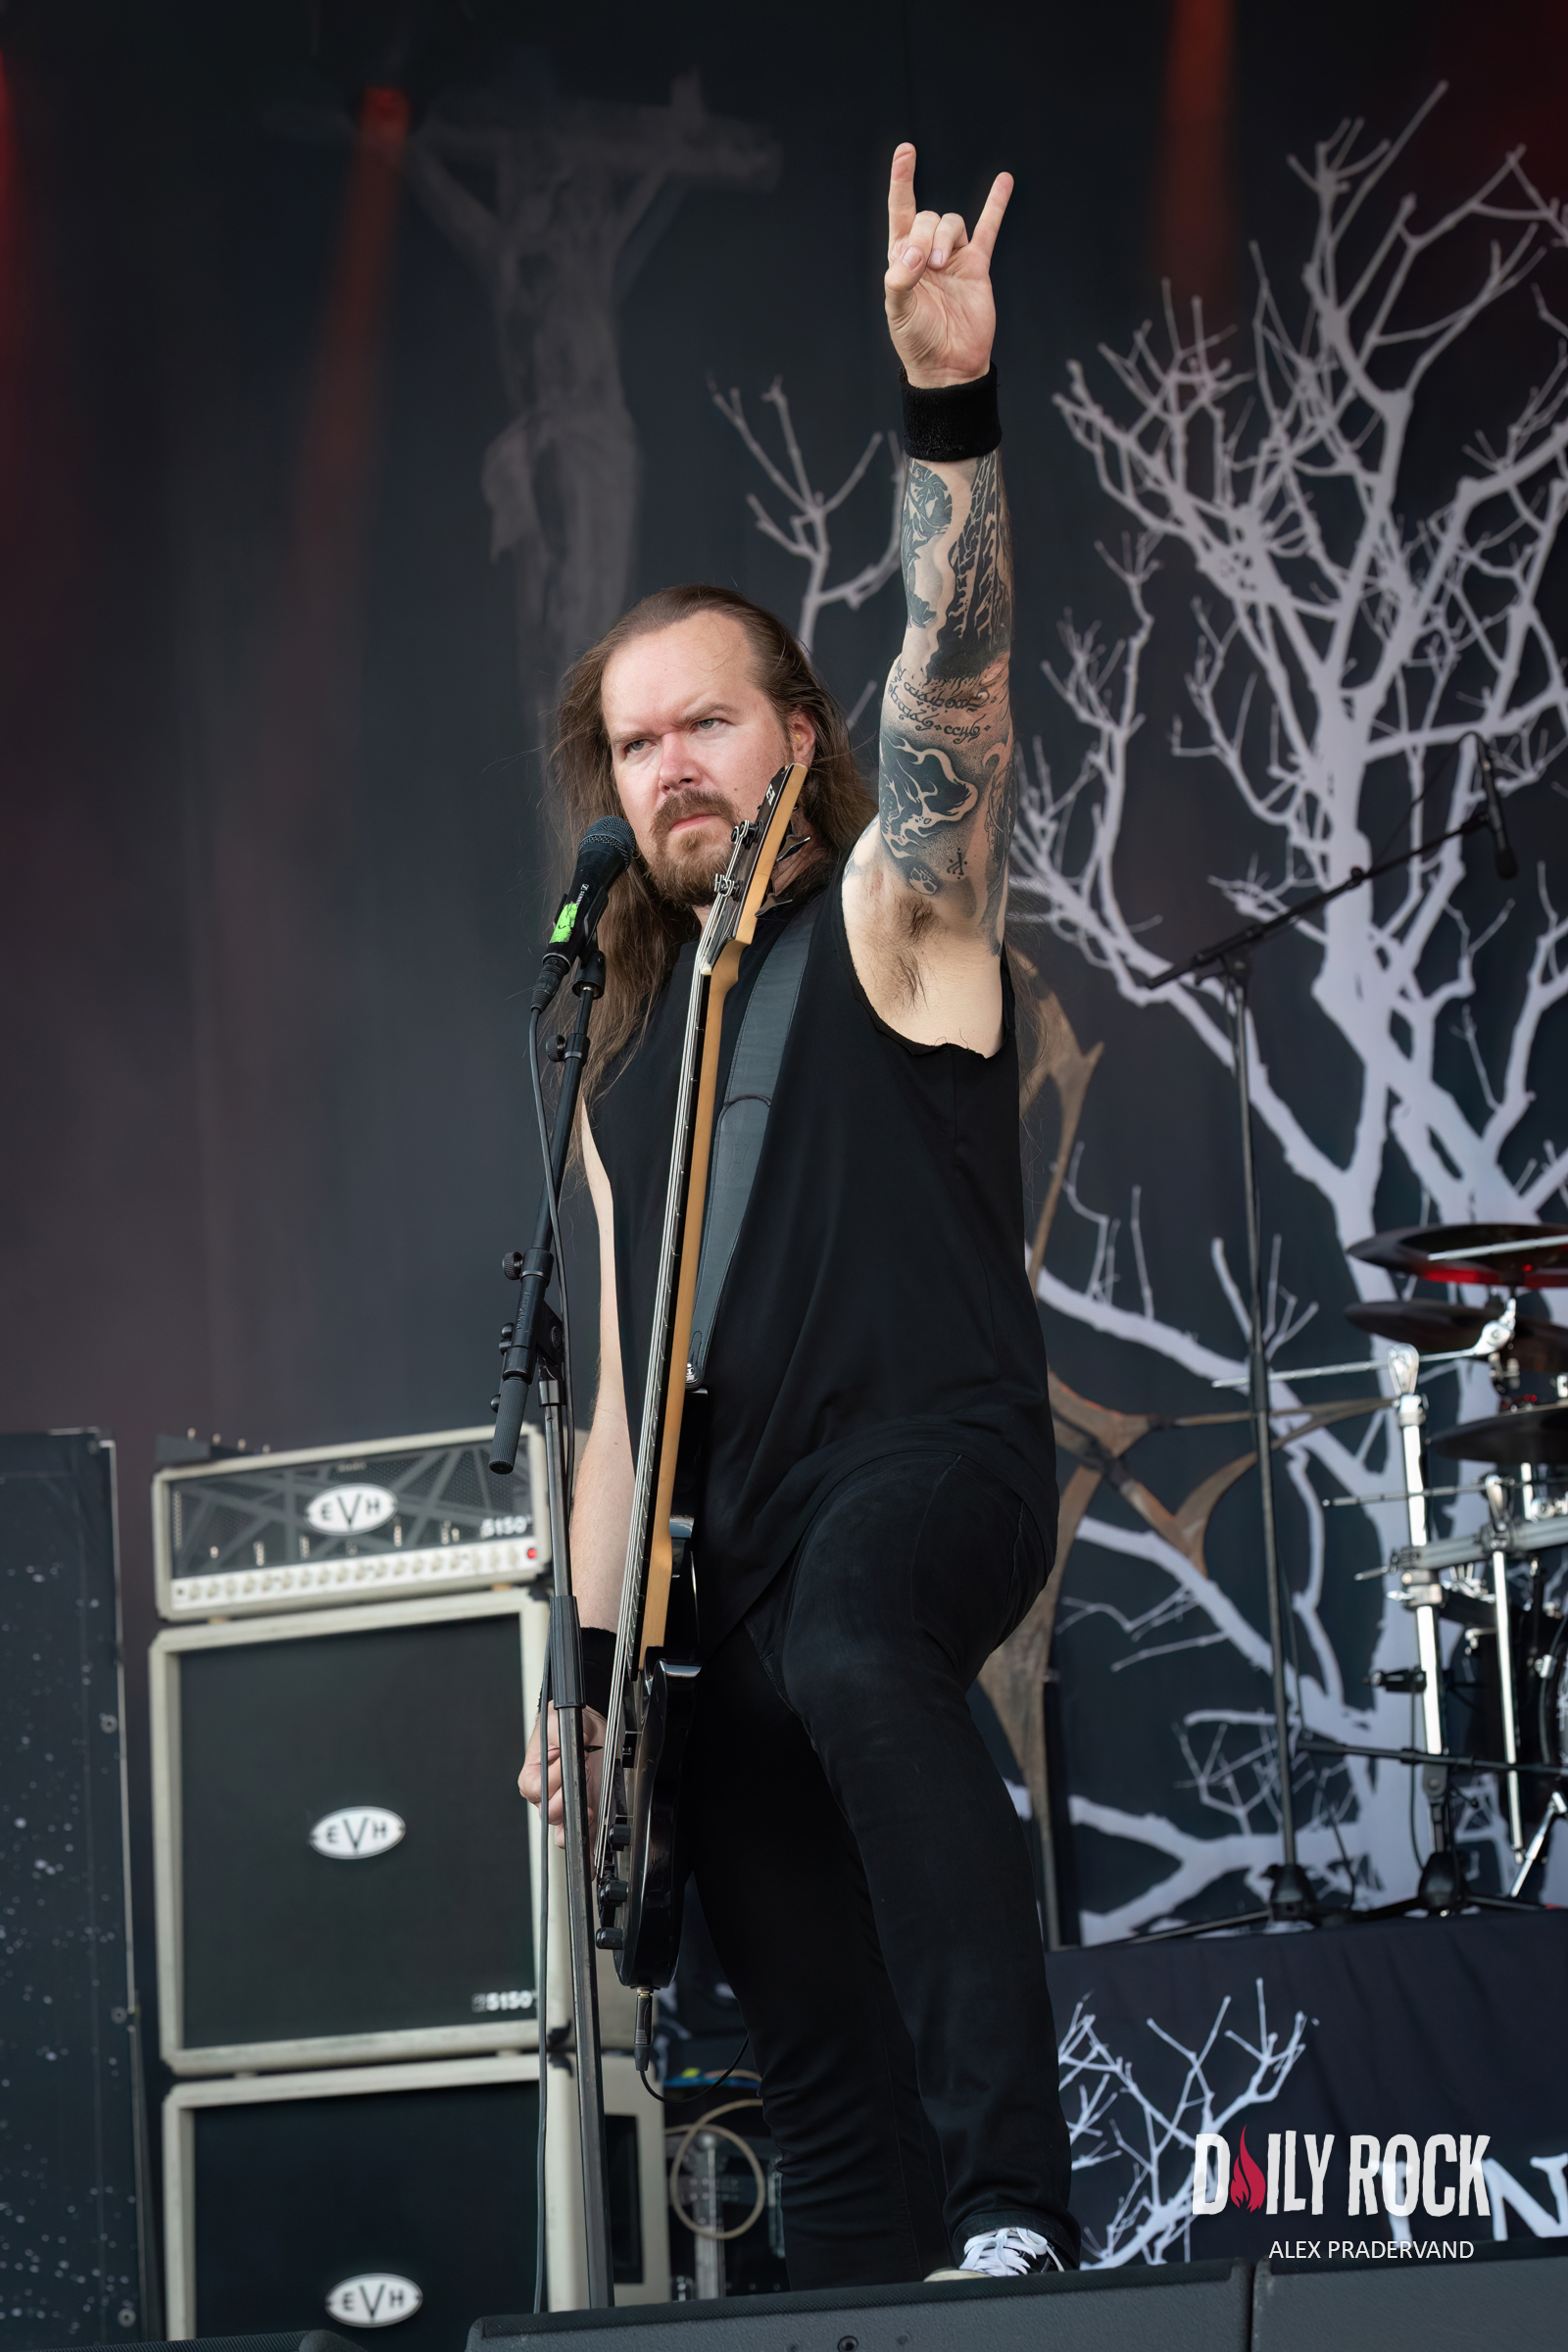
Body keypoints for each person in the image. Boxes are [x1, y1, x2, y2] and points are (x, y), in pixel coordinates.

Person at [520, 142, 1078, 2288]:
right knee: (759, 1857)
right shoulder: (616, 1072)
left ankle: (1020, 2217)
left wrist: (947, 401)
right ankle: (867, 2290)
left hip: (925, 1461)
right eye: (632, 743)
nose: (666, 766)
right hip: (718, 1546)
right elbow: (614, 1427)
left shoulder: (891, 907)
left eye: (706, 724)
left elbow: (964, 663)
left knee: (850, 1638)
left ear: (795, 735)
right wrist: (587, 1686)